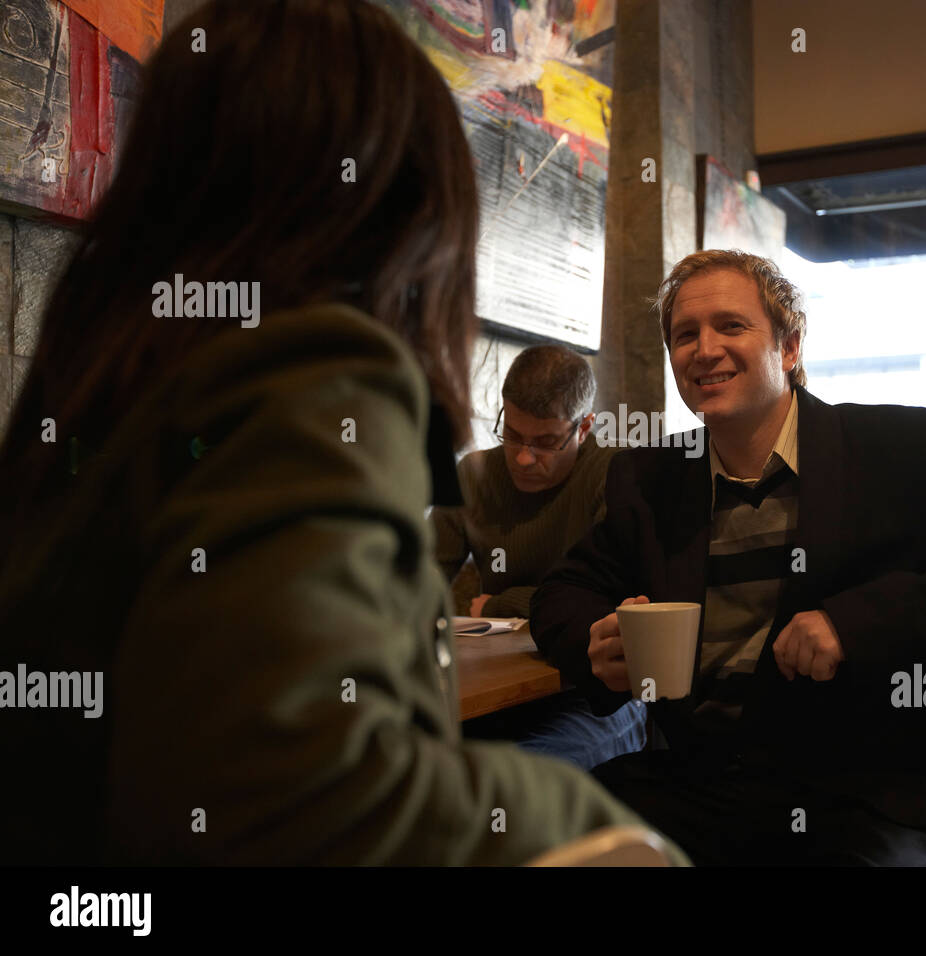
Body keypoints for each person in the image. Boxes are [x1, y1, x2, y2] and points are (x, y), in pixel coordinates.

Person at [0, 0, 687, 866]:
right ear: (409, 206)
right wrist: (617, 841)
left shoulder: (104, 364)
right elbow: (295, 796)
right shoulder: (319, 369)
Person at [530, 249, 926, 866]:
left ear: (790, 347)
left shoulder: (901, 450)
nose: (703, 348)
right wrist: (595, 639)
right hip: (698, 783)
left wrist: (856, 623)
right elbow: (560, 594)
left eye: (731, 326)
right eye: (684, 334)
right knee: (540, 842)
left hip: (870, 792)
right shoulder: (650, 477)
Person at [433, 345, 647, 769]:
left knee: (518, 776)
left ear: (584, 427)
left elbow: (621, 605)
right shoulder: (472, 477)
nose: (525, 458)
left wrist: (500, 602)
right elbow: (413, 583)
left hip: (599, 691)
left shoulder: (618, 474)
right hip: (505, 683)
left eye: (546, 442)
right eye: (512, 434)